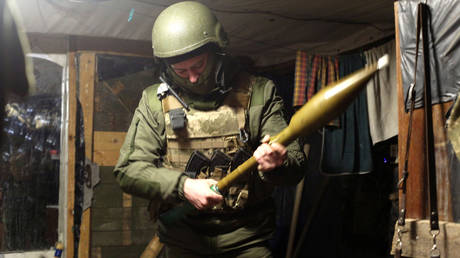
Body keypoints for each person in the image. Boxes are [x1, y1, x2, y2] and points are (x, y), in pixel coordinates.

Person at [113, 1, 306, 257]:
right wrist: (184, 187)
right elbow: (128, 170)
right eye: (180, 71)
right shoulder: (154, 101)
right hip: (183, 239)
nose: (191, 78)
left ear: (217, 52)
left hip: (247, 239)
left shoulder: (259, 92)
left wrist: (276, 165)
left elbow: (296, 164)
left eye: (199, 66)